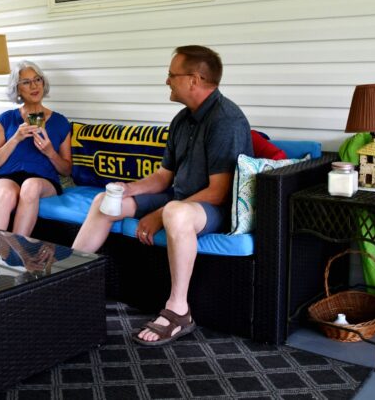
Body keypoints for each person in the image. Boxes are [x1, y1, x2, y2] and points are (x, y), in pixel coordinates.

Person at [72, 45, 253, 346]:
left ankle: (179, 311)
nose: (166, 80)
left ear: (194, 80)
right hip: (179, 196)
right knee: (104, 203)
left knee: (175, 213)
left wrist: (160, 212)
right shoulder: (182, 119)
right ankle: (68, 284)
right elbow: (163, 176)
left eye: (171, 75)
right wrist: (129, 189)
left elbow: (220, 191)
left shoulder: (227, 121)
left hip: (215, 208)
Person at [0, 60, 72, 235]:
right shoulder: (7, 119)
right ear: (17, 89)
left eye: (37, 79)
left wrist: (50, 153)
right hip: (6, 177)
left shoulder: (60, 122)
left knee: (30, 186)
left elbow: (67, 170)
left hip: (43, 180)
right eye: (26, 82)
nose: (34, 86)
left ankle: (17, 251)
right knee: (6, 195)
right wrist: (16, 138)